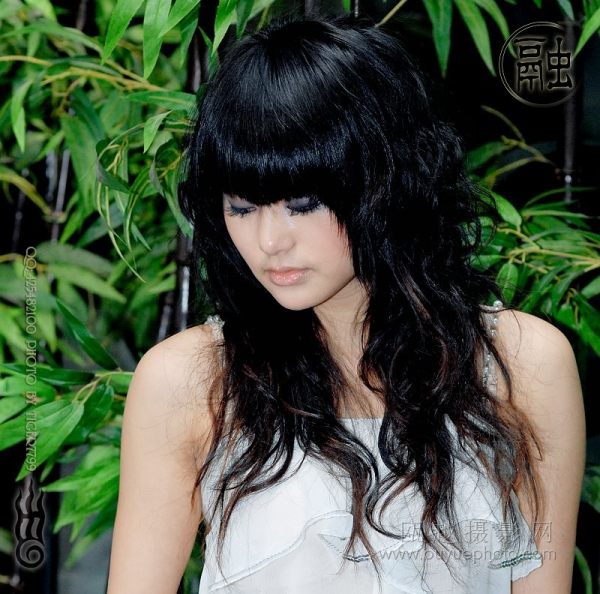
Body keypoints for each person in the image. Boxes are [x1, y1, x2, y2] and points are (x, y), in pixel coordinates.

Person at [106, 12, 586, 594]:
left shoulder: (523, 365)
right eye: (242, 207)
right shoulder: (190, 380)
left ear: (386, 181)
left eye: (302, 203)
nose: (269, 240)